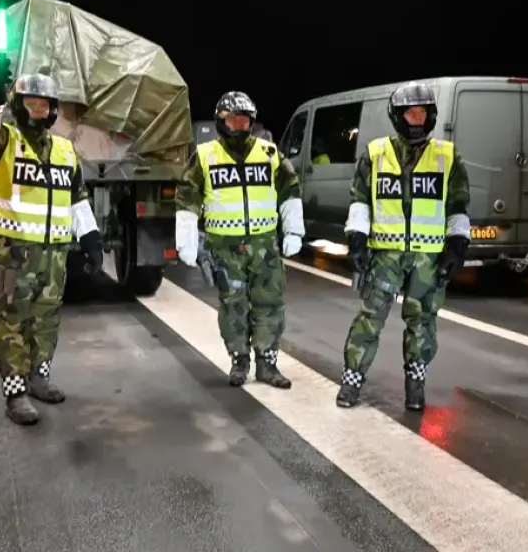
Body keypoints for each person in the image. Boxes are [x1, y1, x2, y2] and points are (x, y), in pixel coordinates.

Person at [0, 56, 104, 426]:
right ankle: (16, 393)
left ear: (54, 110)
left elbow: (77, 200)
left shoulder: (64, 150)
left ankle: (40, 376)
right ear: (17, 106)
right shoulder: (3, 143)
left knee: (46, 319)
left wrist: (91, 240)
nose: (38, 111)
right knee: (13, 322)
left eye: (44, 105)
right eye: (30, 103)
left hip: (54, 255)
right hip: (13, 253)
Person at [337, 83, 471, 412]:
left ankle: (415, 385)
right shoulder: (375, 153)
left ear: (431, 115)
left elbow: (458, 207)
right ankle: (351, 381)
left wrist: (456, 246)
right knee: (369, 319)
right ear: (397, 116)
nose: (416, 118)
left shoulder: (448, 156)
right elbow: (360, 201)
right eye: (410, 112)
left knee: (423, 322)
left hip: (428, 258)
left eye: (422, 112)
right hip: (385, 255)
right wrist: (356, 239)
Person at [175, 91, 305, 389]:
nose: (240, 125)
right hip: (225, 248)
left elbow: (290, 190)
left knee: (269, 304)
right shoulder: (205, 156)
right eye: (233, 120)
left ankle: (267, 364)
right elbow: (187, 200)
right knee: (233, 306)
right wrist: (187, 240)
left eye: (245, 120)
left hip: (264, 246)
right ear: (221, 121)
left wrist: (294, 230)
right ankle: (239, 362)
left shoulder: (270, 153)